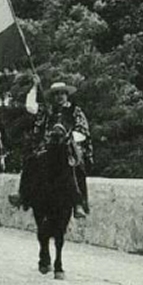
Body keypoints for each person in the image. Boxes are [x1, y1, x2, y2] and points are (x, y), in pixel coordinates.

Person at [24, 75, 92, 219]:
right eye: (56, 94)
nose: (59, 97)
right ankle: (23, 195)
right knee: (31, 160)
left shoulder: (75, 110)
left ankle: (79, 203)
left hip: (68, 144)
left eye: (62, 93)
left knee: (78, 167)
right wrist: (35, 87)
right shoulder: (48, 110)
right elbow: (31, 108)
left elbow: (82, 129)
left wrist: (70, 137)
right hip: (48, 144)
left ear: (67, 95)